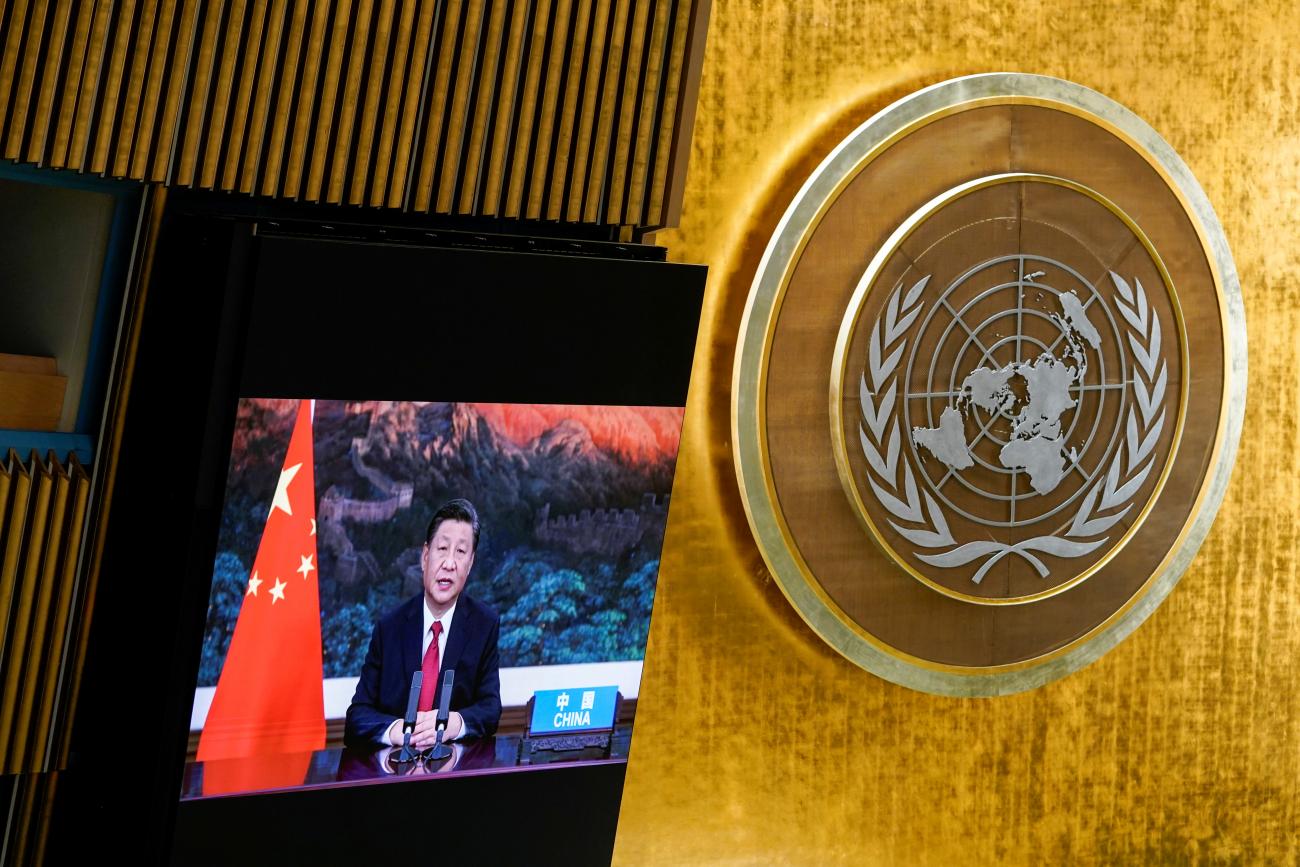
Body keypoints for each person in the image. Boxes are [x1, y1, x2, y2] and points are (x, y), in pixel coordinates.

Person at [344, 498, 501, 750]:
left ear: (470, 564)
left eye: (460, 552)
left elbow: (490, 708)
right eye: (442, 549)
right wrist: (398, 731)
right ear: (425, 556)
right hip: (396, 776)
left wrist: (454, 723)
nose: (449, 564)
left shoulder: (484, 626)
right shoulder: (389, 629)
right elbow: (357, 717)